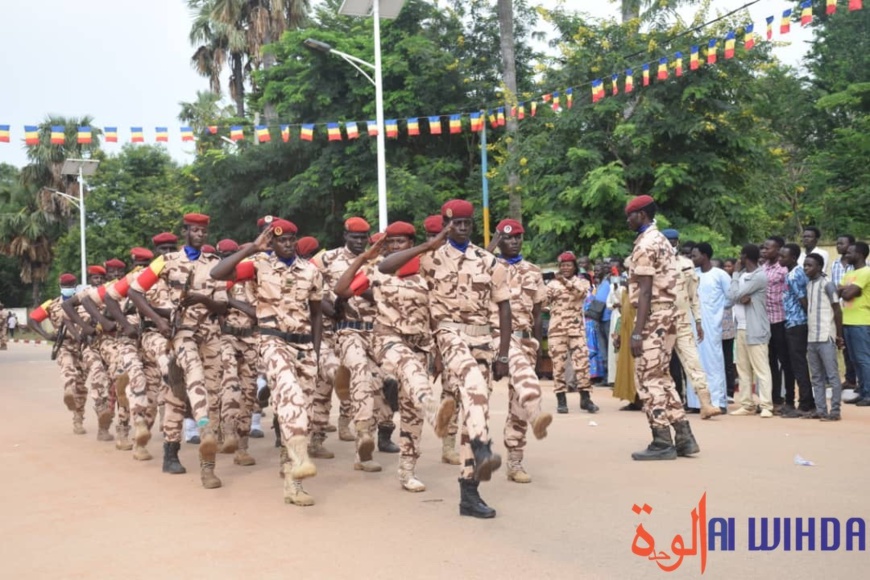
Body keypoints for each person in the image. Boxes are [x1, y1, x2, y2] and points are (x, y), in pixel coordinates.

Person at [379, 199, 510, 519]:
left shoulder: (488, 261)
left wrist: (503, 353)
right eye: (455, 223)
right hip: (449, 335)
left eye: (466, 223)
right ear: (446, 224)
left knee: (475, 410)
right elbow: (386, 266)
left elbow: (505, 307)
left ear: (472, 224)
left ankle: (470, 492)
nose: (461, 228)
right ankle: (482, 446)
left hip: (483, 340)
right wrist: (428, 244)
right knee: (475, 388)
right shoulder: (429, 257)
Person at [334, 221, 456, 492]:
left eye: (401, 242)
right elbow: (342, 290)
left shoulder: (427, 272)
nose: (394, 247)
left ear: (411, 244)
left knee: (411, 414)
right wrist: (365, 257)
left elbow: (437, 315)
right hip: (389, 341)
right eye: (390, 242)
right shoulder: (377, 270)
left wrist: (437, 354)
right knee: (412, 372)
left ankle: (407, 471)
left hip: (421, 344)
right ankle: (434, 410)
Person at [211, 218, 322, 506]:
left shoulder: (310, 271)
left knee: (302, 416)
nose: (287, 244)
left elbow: (317, 313)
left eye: (291, 239)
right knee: (290, 395)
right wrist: (250, 250)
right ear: (271, 242)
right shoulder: (259, 264)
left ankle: (293, 483)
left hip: (304, 346)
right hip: (272, 341)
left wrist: (317, 352)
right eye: (280, 240)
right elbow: (218, 273)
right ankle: (298, 465)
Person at [129, 213, 228, 489]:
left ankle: (208, 467)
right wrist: (159, 320)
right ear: (185, 231)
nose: (200, 234)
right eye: (195, 230)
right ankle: (188, 439)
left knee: (211, 393)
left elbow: (222, 306)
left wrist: (203, 299)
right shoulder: (167, 261)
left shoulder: (216, 264)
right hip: (180, 333)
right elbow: (135, 292)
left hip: (210, 334)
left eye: (204, 231)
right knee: (191, 376)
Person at [624, 195, 699, 460]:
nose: (627, 220)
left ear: (641, 215)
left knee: (648, 378)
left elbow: (645, 292)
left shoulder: (646, 244)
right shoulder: (662, 240)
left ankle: (661, 440)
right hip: (668, 316)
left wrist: (637, 331)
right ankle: (684, 437)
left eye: (630, 215)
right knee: (663, 377)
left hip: (652, 317)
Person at [486, 219, 552, 483]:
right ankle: (537, 412)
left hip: (525, 341)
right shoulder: (488, 265)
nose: (512, 242)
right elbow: (475, 261)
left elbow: (537, 315)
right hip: (497, 338)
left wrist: (537, 347)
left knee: (518, 403)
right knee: (527, 391)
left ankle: (515, 461)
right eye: (507, 238)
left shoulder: (533, 271)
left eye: (517, 238)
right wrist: (493, 241)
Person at [662, 229, 720, 418]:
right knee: (661, 365)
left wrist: (698, 321)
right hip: (659, 322)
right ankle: (668, 404)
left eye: (673, 241)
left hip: (682, 321)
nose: (670, 244)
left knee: (693, 362)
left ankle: (706, 404)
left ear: (677, 242)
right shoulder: (653, 263)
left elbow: (693, 296)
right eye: (667, 241)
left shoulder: (686, 265)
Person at [28, 274, 89, 433]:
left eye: (70, 285)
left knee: (81, 386)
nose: (68, 288)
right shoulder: (52, 304)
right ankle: (68, 389)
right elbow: (32, 319)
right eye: (65, 286)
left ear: (76, 286)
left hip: (83, 346)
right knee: (67, 369)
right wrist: (46, 335)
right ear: (60, 286)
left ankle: (78, 419)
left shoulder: (84, 302)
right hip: (65, 345)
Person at [546, 251, 599, 414]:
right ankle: (561, 400)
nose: (565, 268)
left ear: (574, 267)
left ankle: (585, 398)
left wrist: (563, 281)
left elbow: (581, 293)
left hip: (576, 330)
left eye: (568, 265)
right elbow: (542, 301)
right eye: (562, 266)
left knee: (582, 364)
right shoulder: (552, 285)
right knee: (558, 366)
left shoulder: (582, 282)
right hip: (557, 330)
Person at [729, 244, 774, 418]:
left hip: (755, 329)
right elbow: (732, 295)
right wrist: (740, 295)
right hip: (740, 328)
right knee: (743, 369)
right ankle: (747, 404)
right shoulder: (741, 276)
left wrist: (737, 288)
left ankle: (766, 405)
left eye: (741, 255)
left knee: (761, 368)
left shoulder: (759, 276)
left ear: (745, 256)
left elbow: (734, 295)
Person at [691, 243, 731, 414]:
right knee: (696, 362)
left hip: (713, 325)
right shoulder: (694, 275)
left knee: (714, 363)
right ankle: (696, 402)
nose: (692, 259)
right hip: (695, 323)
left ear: (705, 256)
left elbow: (730, 298)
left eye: (695, 256)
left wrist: (716, 312)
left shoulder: (720, 275)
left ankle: (718, 400)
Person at [803, 253, 844, 421]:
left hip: (826, 335)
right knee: (817, 376)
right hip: (812, 337)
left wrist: (839, 335)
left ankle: (835, 411)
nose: (806, 268)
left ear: (819, 267)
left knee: (832, 375)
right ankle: (821, 410)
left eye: (809, 265)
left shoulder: (828, 285)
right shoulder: (809, 285)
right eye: (805, 265)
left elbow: (837, 309)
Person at [779, 243, 815, 417]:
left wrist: (809, 318)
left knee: (798, 364)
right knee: (796, 363)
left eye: (783, 256)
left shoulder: (794, 275)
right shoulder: (794, 272)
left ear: (793, 258)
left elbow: (803, 299)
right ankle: (804, 402)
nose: (780, 259)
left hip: (797, 323)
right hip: (792, 322)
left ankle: (805, 404)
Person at [761, 236, 793, 413]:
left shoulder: (784, 269)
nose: (765, 251)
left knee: (785, 361)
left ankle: (789, 399)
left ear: (779, 249)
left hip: (781, 319)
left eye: (768, 248)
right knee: (770, 362)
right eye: (764, 248)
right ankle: (775, 399)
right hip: (766, 322)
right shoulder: (763, 267)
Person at [838, 242, 870, 407]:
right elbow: (838, 291)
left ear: (859, 254)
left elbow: (847, 294)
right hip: (848, 321)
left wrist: (846, 289)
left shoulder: (866, 272)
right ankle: (862, 390)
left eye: (850, 253)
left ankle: (868, 393)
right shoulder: (850, 273)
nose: (846, 255)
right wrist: (846, 289)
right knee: (854, 359)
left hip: (862, 321)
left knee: (863, 359)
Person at [832, 234, 858, 398]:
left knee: (858, 349)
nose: (838, 245)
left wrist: (842, 290)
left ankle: (861, 381)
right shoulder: (834, 264)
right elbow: (835, 289)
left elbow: (849, 291)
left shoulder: (860, 266)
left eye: (842, 243)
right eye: (837, 243)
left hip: (854, 310)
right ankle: (849, 379)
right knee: (843, 346)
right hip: (838, 310)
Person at [720, 259, 738, 400]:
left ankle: (730, 391)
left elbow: (731, 300)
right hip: (710, 330)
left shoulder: (728, 283)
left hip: (727, 329)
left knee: (728, 361)